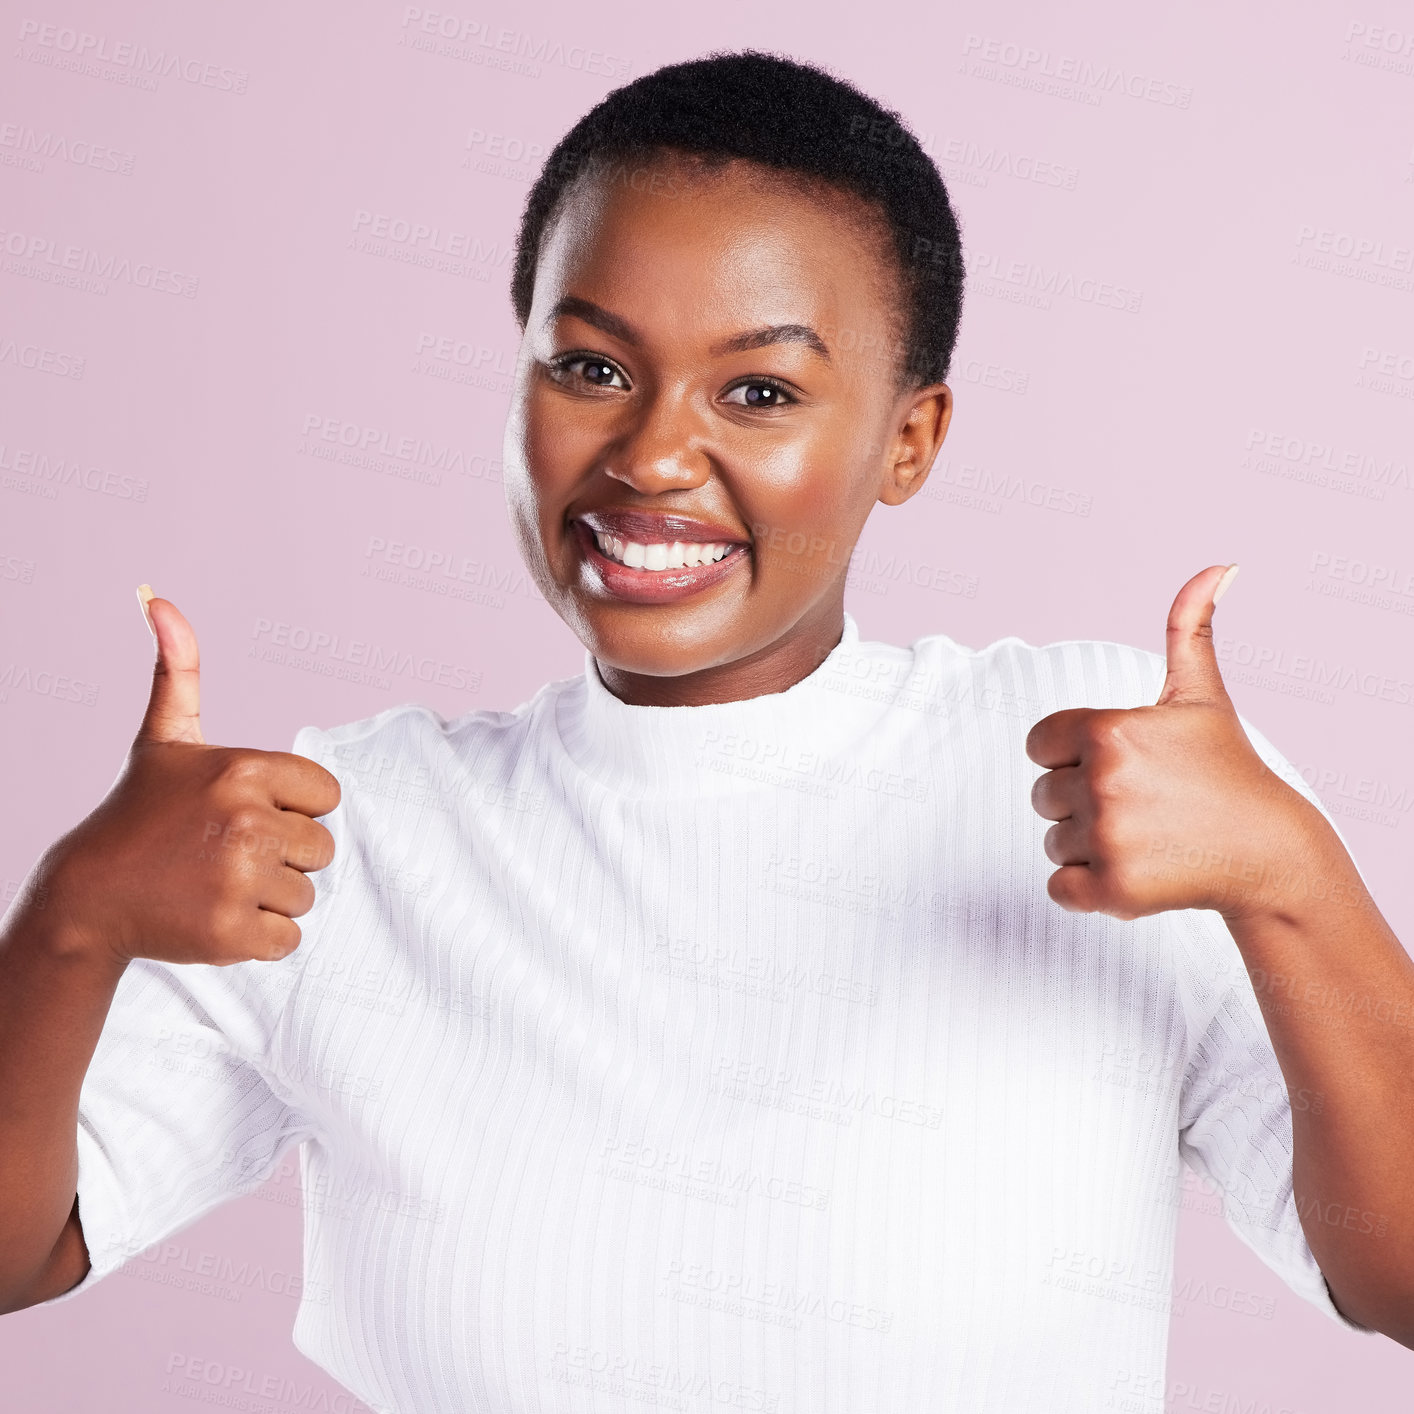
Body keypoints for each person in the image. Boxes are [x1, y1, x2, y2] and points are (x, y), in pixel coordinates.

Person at [2, 50, 1411, 1414]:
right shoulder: (335, 830)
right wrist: (72, 920)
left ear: (907, 442)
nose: (653, 456)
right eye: (590, 368)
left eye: (759, 391)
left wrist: (1287, 878)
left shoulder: (1109, 767)